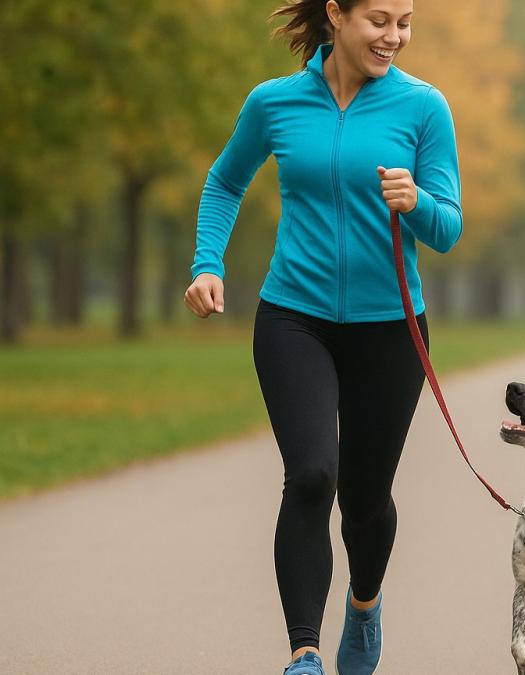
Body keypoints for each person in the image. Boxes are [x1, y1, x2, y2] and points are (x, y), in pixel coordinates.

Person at [183, 0, 461, 673]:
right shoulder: (274, 103)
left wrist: (415, 202)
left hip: (390, 329)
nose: (394, 36)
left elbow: (447, 228)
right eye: (379, 20)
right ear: (336, 14)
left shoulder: (424, 108)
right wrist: (207, 263)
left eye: (405, 22)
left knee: (364, 501)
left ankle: (364, 606)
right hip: (294, 317)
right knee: (311, 476)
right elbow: (225, 179)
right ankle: (304, 653)